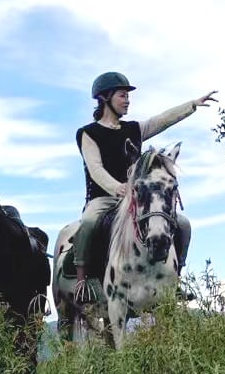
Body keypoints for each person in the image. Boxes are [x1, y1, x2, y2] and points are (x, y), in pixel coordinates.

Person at [72, 72, 217, 302]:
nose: (127, 100)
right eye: (122, 95)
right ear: (105, 98)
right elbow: (95, 169)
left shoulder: (134, 129)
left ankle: (175, 278)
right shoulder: (88, 133)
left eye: (128, 96)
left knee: (182, 224)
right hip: (105, 198)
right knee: (89, 223)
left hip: (138, 199)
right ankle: (81, 282)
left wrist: (192, 105)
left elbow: (162, 120)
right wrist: (118, 188)